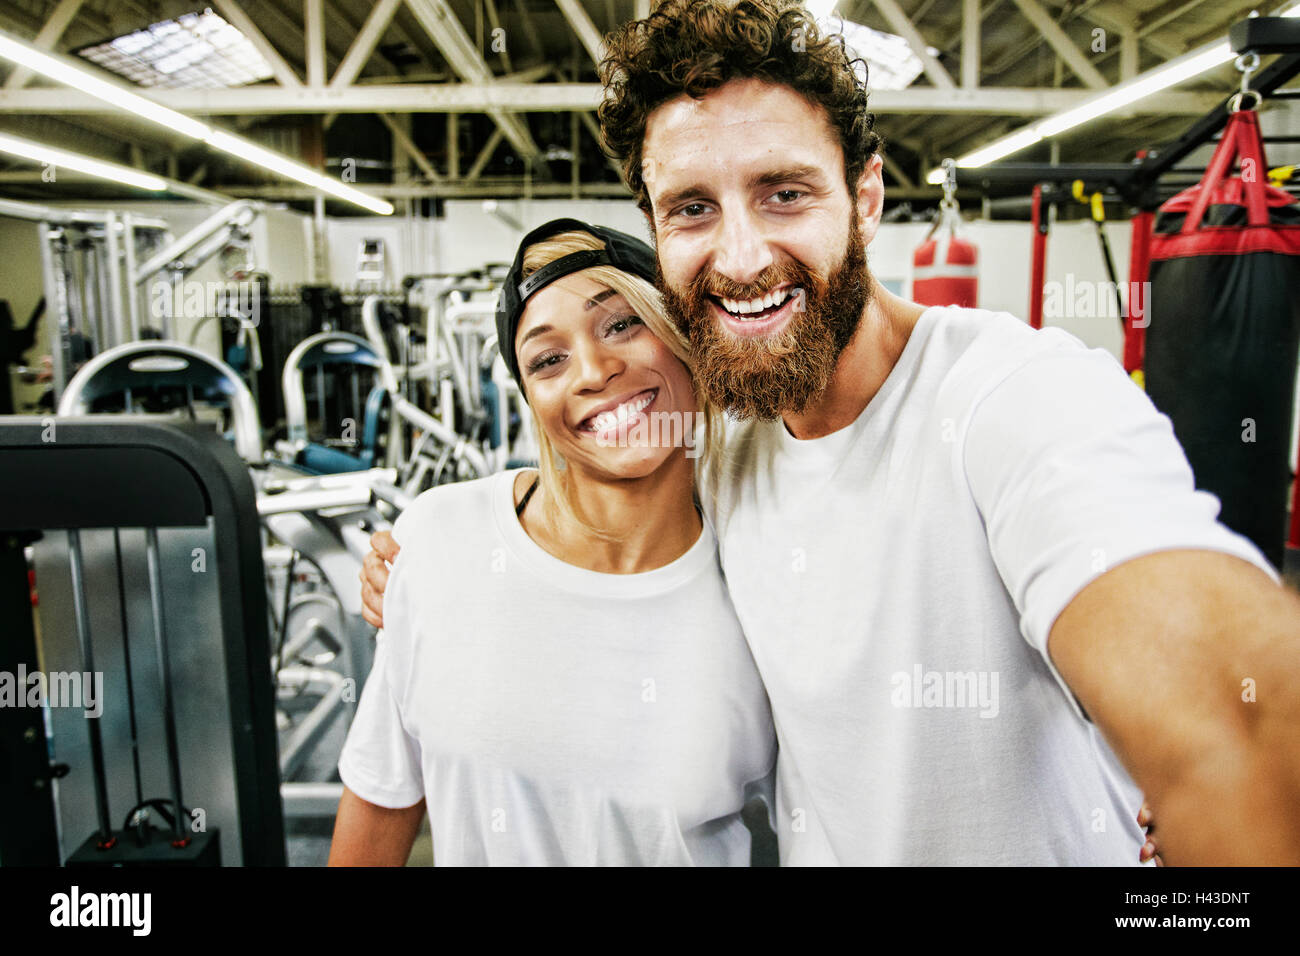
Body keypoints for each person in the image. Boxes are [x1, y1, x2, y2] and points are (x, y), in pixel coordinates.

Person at [366, 0, 1300, 864]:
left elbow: (1240, 716)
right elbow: (585, 497)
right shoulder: (724, 448)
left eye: (784, 194)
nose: (739, 257)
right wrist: (427, 564)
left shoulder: (1012, 399)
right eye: (692, 208)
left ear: (866, 197)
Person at [329, 219, 776, 866]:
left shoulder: (764, 577)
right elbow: (380, 799)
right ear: (533, 400)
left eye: (622, 324)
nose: (595, 371)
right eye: (548, 359)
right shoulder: (438, 541)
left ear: (685, 337)